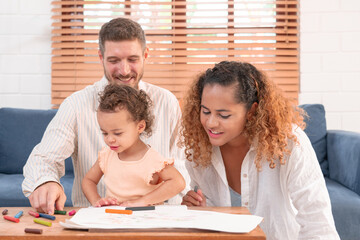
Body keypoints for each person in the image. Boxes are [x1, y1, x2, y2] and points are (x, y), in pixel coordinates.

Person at [22, 17, 189, 214]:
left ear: (145, 55)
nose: (124, 70)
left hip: (156, 218)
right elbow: (44, 158)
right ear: (101, 57)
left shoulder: (166, 102)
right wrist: (46, 182)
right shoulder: (76, 105)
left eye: (133, 59)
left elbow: (180, 163)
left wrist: (187, 194)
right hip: (95, 220)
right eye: (114, 60)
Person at [179, 61, 339, 239]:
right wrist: (201, 212)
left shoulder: (289, 143)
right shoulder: (199, 148)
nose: (210, 123)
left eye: (223, 115)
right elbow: (215, 223)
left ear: (251, 111)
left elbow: (317, 222)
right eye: (206, 111)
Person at [82, 84, 185, 207]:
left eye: (117, 133)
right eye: (104, 132)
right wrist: (96, 200)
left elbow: (178, 182)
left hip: (146, 219)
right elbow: (88, 181)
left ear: (140, 127)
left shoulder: (152, 159)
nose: (109, 139)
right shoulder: (106, 155)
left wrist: (142, 201)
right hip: (113, 219)